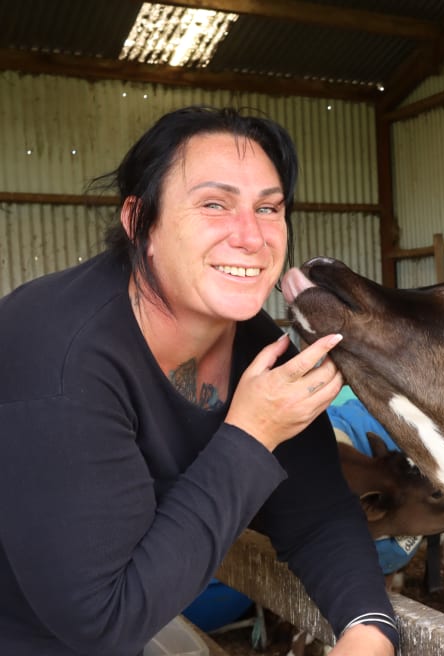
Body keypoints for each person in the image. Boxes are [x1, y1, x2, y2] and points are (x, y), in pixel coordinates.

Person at [0, 106, 396, 655]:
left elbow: (318, 514)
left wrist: (369, 629)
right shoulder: (61, 357)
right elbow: (101, 621)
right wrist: (252, 434)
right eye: (215, 204)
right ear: (141, 223)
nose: (252, 237)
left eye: (268, 208)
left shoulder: (255, 342)